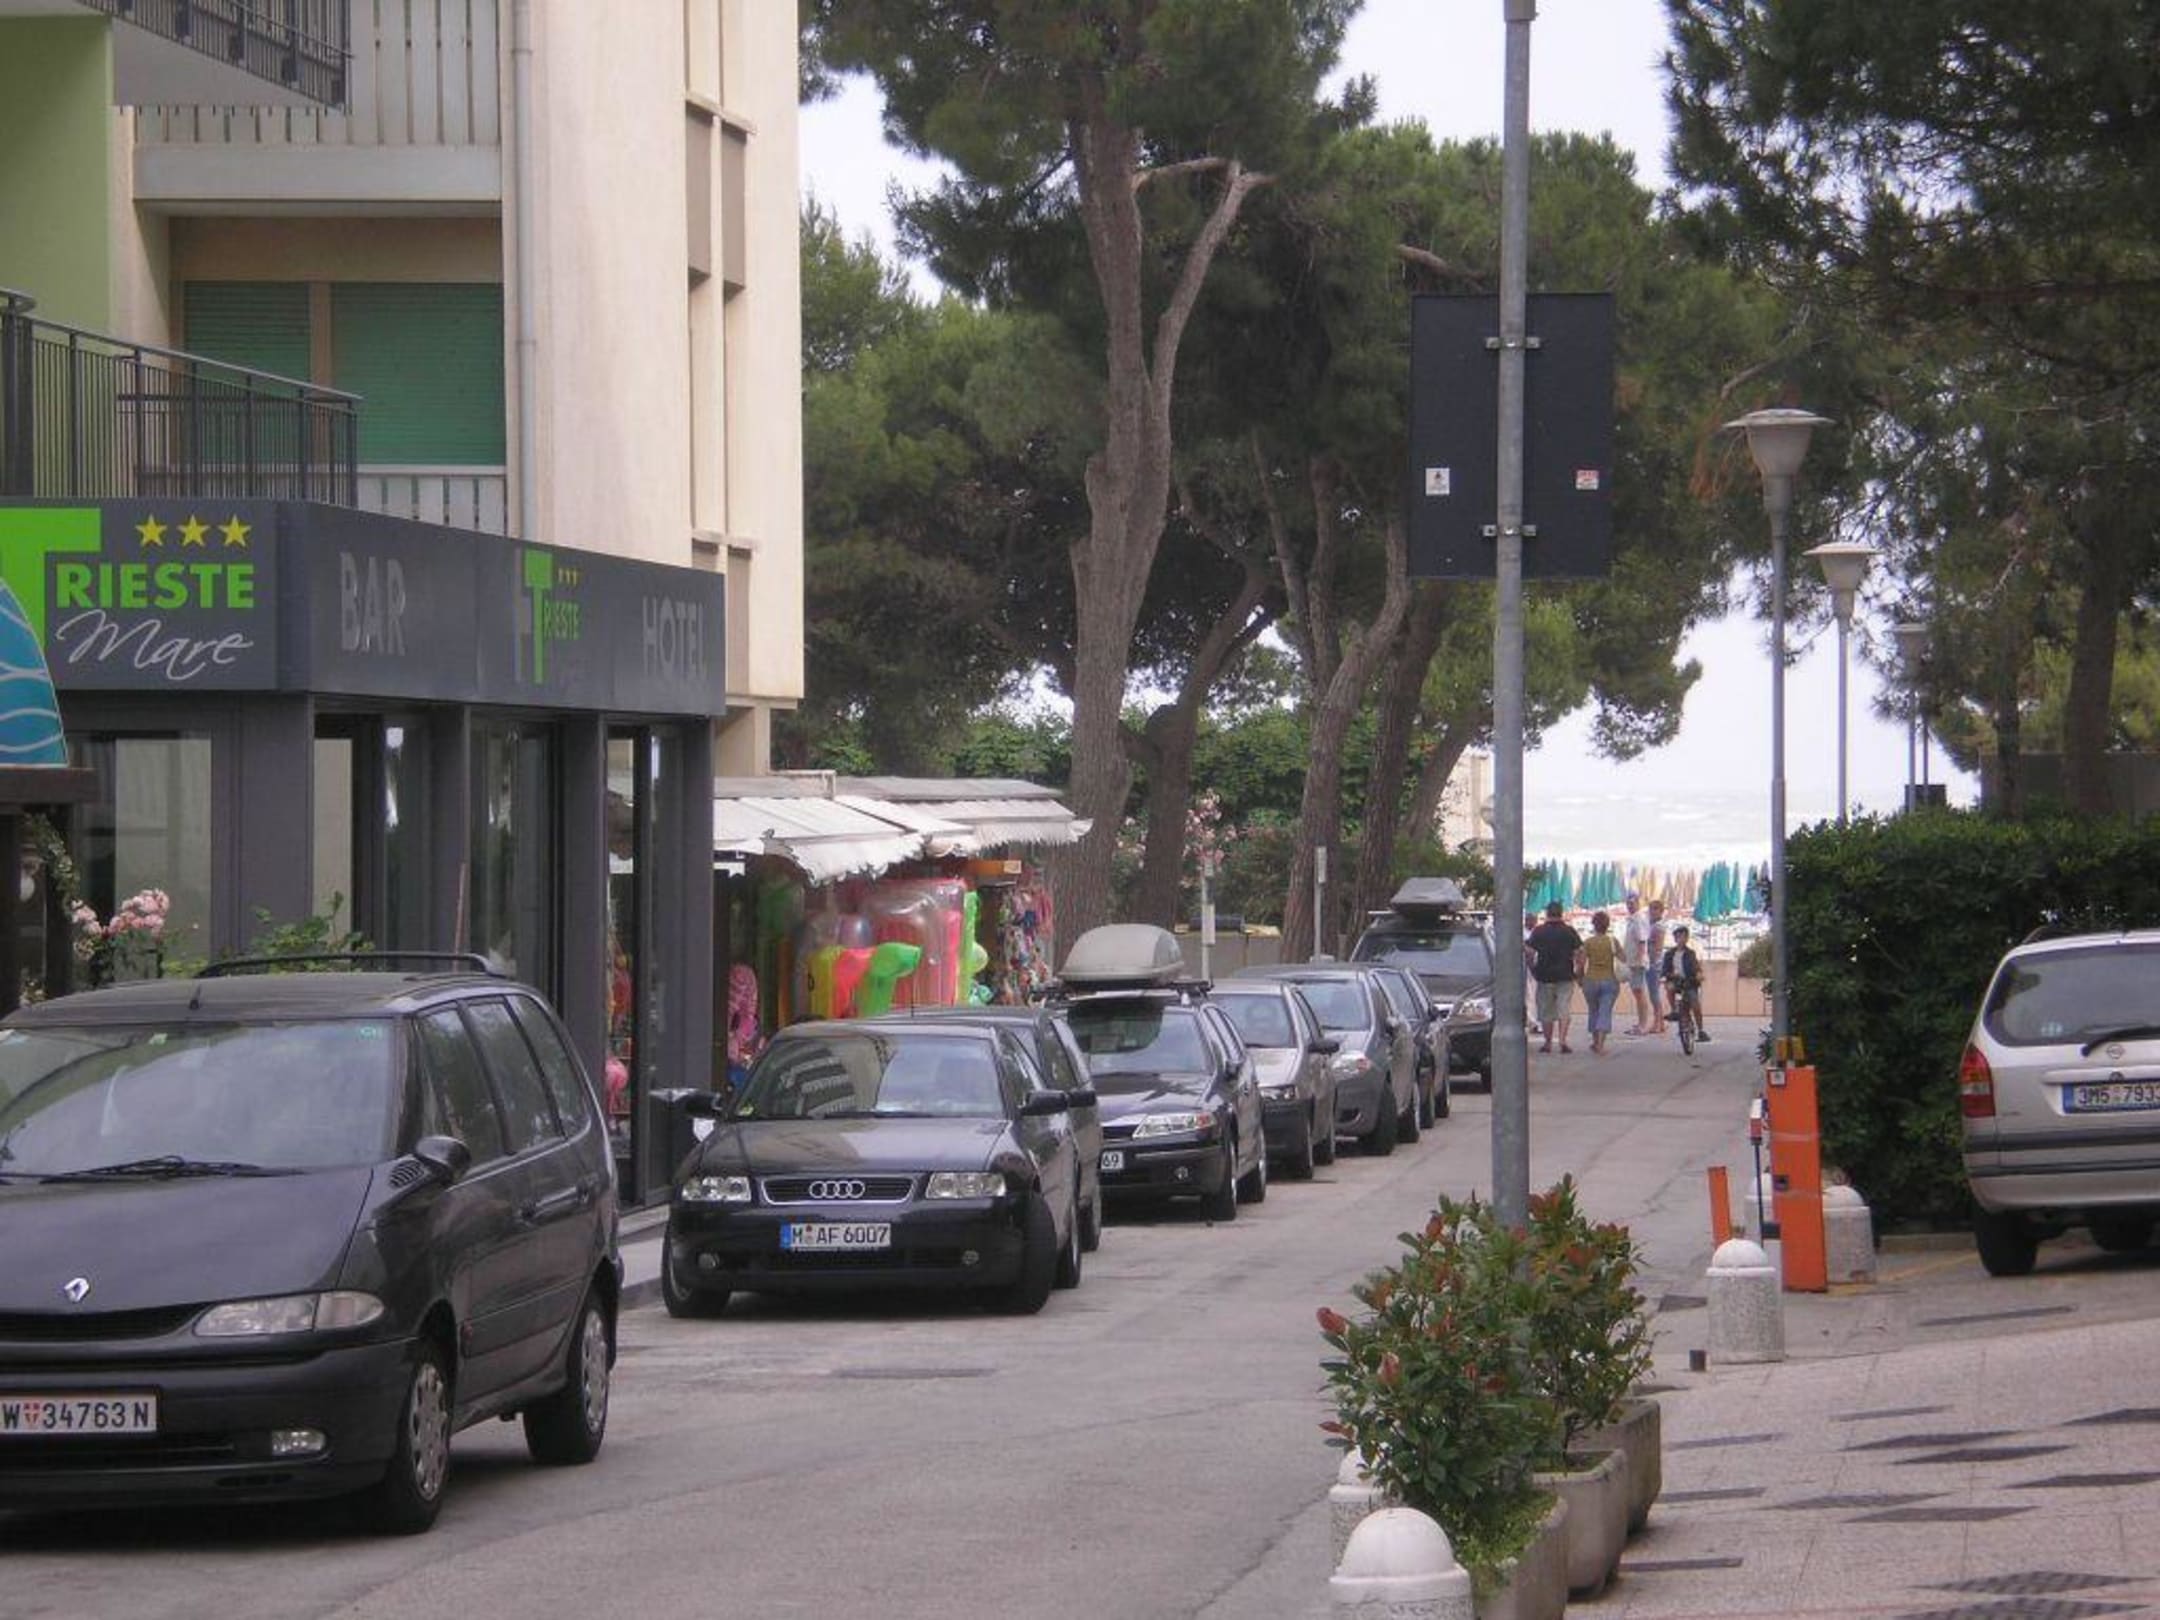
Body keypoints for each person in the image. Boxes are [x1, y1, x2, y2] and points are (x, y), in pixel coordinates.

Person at [1525, 901, 1584, 1055]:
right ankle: (1562, 1040)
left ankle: (1548, 1042)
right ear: (1561, 913)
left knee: (1546, 1012)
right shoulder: (1569, 931)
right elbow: (1580, 952)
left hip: (1544, 976)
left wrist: (1532, 967)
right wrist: (1579, 970)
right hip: (1565, 975)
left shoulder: (1539, 931)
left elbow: (1529, 951)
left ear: (1547, 913)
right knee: (1564, 1009)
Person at [1579, 909, 1626, 1053]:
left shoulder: (1588, 942)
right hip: (1609, 980)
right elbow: (1623, 958)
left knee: (1593, 1011)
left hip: (1590, 980)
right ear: (1607, 925)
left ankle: (1595, 1042)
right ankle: (1600, 1044)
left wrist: (1580, 978)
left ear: (1594, 925)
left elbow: (1581, 963)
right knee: (1605, 1011)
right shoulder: (1613, 941)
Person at [1660, 925, 1710, 1043]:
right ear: (1675, 939)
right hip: (1675, 980)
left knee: (1695, 1004)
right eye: (1678, 937)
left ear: (1687, 938)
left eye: (1684, 937)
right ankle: (1674, 1010)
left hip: (1689, 982)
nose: (1681, 939)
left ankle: (1701, 1031)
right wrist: (1668, 976)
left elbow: (1695, 967)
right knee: (1669, 987)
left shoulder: (1690, 953)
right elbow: (1664, 970)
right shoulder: (1669, 954)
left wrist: (1698, 974)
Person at [1621, 892, 1653, 1035]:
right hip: (1632, 961)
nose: (1630, 906)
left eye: (1632, 903)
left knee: (1639, 992)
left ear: (1638, 904)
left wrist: (1640, 959)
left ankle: (1643, 1024)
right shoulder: (1632, 919)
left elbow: (1642, 941)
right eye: (1628, 903)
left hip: (1637, 962)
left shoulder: (1639, 919)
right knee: (1637, 992)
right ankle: (1641, 1022)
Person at [1644, 897, 1669, 1036]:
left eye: (1655, 909)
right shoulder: (1652, 925)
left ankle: (1658, 1023)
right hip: (1652, 963)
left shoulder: (1658, 927)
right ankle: (1660, 1022)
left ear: (1661, 911)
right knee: (1653, 994)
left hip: (1654, 964)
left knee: (1654, 995)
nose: (1652, 912)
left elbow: (1657, 947)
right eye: (1651, 909)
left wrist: (1651, 961)